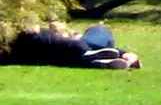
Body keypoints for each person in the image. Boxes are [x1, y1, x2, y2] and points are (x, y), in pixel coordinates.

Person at [1, 22, 141, 69]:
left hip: (55, 53)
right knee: (100, 30)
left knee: (76, 51)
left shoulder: (9, 52)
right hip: (67, 47)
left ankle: (97, 59)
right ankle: (95, 57)